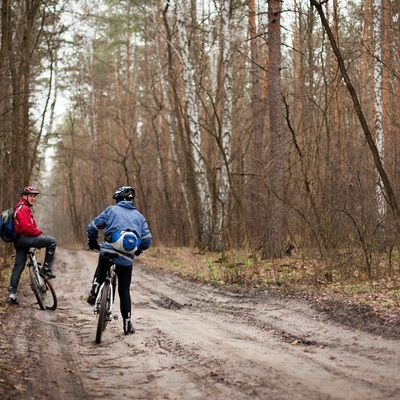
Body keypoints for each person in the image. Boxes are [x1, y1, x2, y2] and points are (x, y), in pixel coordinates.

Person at [86, 186, 152, 335]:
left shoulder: (111, 210)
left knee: (102, 265)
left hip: (109, 249)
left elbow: (93, 226)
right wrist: (139, 249)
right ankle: (127, 324)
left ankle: (95, 289)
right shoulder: (140, 217)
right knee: (124, 290)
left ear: (119, 199)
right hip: (126, 257)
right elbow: (147, 240)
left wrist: (92, 242)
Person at [8, 186, 57, 305]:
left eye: (34, 196)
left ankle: (12, 295)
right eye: (31, 196)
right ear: (24, 196)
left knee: (18, 267)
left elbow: (31, 226)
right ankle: (45, 270)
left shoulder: (21, 208)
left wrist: (36, 232)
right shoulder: (23, 208)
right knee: (51, 241)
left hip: (19, 241)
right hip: (25, 239)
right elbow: (27, 228)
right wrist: (39, 233)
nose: (33, 198)